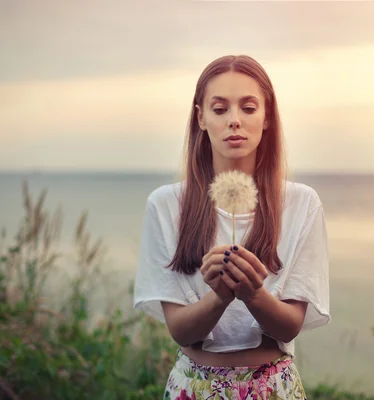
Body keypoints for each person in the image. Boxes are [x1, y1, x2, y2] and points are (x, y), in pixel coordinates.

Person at [133, 54, 330, 400]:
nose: (234, 121)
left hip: (272, 388)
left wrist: (254, 295)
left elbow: (290, 325)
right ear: (201, 118)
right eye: (220, 109)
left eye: (249, 108)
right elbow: (180, 330)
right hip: (194, 387)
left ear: (267, 117)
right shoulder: (164, 206)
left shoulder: (302, 204)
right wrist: (220, 298)